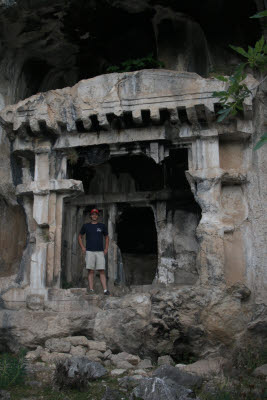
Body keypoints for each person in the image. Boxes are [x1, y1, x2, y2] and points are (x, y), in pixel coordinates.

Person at [78, 208, 110, 295]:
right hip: (89, 251)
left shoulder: (102, 226)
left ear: (98, 216)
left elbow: (107, 237)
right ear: (90, 216)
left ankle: (105, 290)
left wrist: (106, 248)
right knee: (91, 271)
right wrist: (82, 247)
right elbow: (79, 236)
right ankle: (91, 290)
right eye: (93, 214)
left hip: (100, 251)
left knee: (101, 270)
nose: (94, 216)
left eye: (96, 214)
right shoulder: (86, 226)